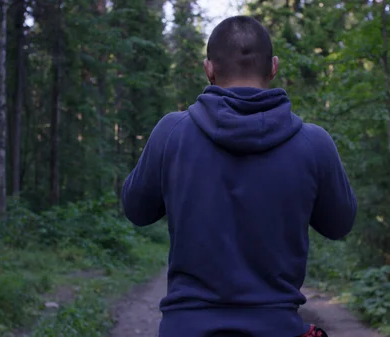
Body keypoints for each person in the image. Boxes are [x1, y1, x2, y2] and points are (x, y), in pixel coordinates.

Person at [121, 15, 357, 337]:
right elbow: (340, 224)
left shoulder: (171, 133)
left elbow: (136, 210)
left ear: (209, 69)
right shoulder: (313, 143)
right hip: (278, 329)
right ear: (273, 67)